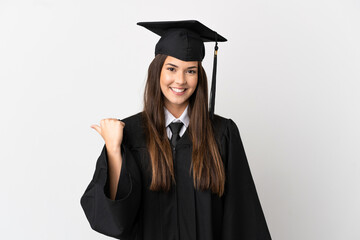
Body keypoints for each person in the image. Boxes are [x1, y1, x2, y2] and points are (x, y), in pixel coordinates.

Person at [80, 20, 272, 240]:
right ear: (157, 71)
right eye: (171, 69)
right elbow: (113, 222)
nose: (180, 80)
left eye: (190, 71)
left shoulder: (222, 133)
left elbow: (242, 217)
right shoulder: (130, 134)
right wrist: (113, 149)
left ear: (199, 76)